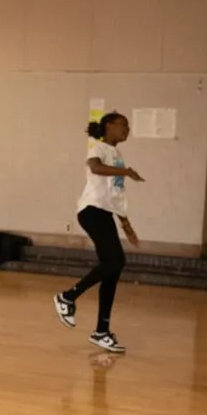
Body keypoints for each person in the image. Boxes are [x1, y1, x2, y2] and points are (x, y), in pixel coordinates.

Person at [54, 112, 143, 353]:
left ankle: (102, 331)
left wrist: (126, 225)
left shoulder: (118, 156)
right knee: (116, 261)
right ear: (109, 126)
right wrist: (126, 172)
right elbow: (95, 168)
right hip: (91, 211)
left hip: (105, 213)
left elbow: (116, 195)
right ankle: (67, 297)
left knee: (113, 268)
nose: (127, 129)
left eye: (128, 126)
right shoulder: (98, 148)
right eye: (123, 125)